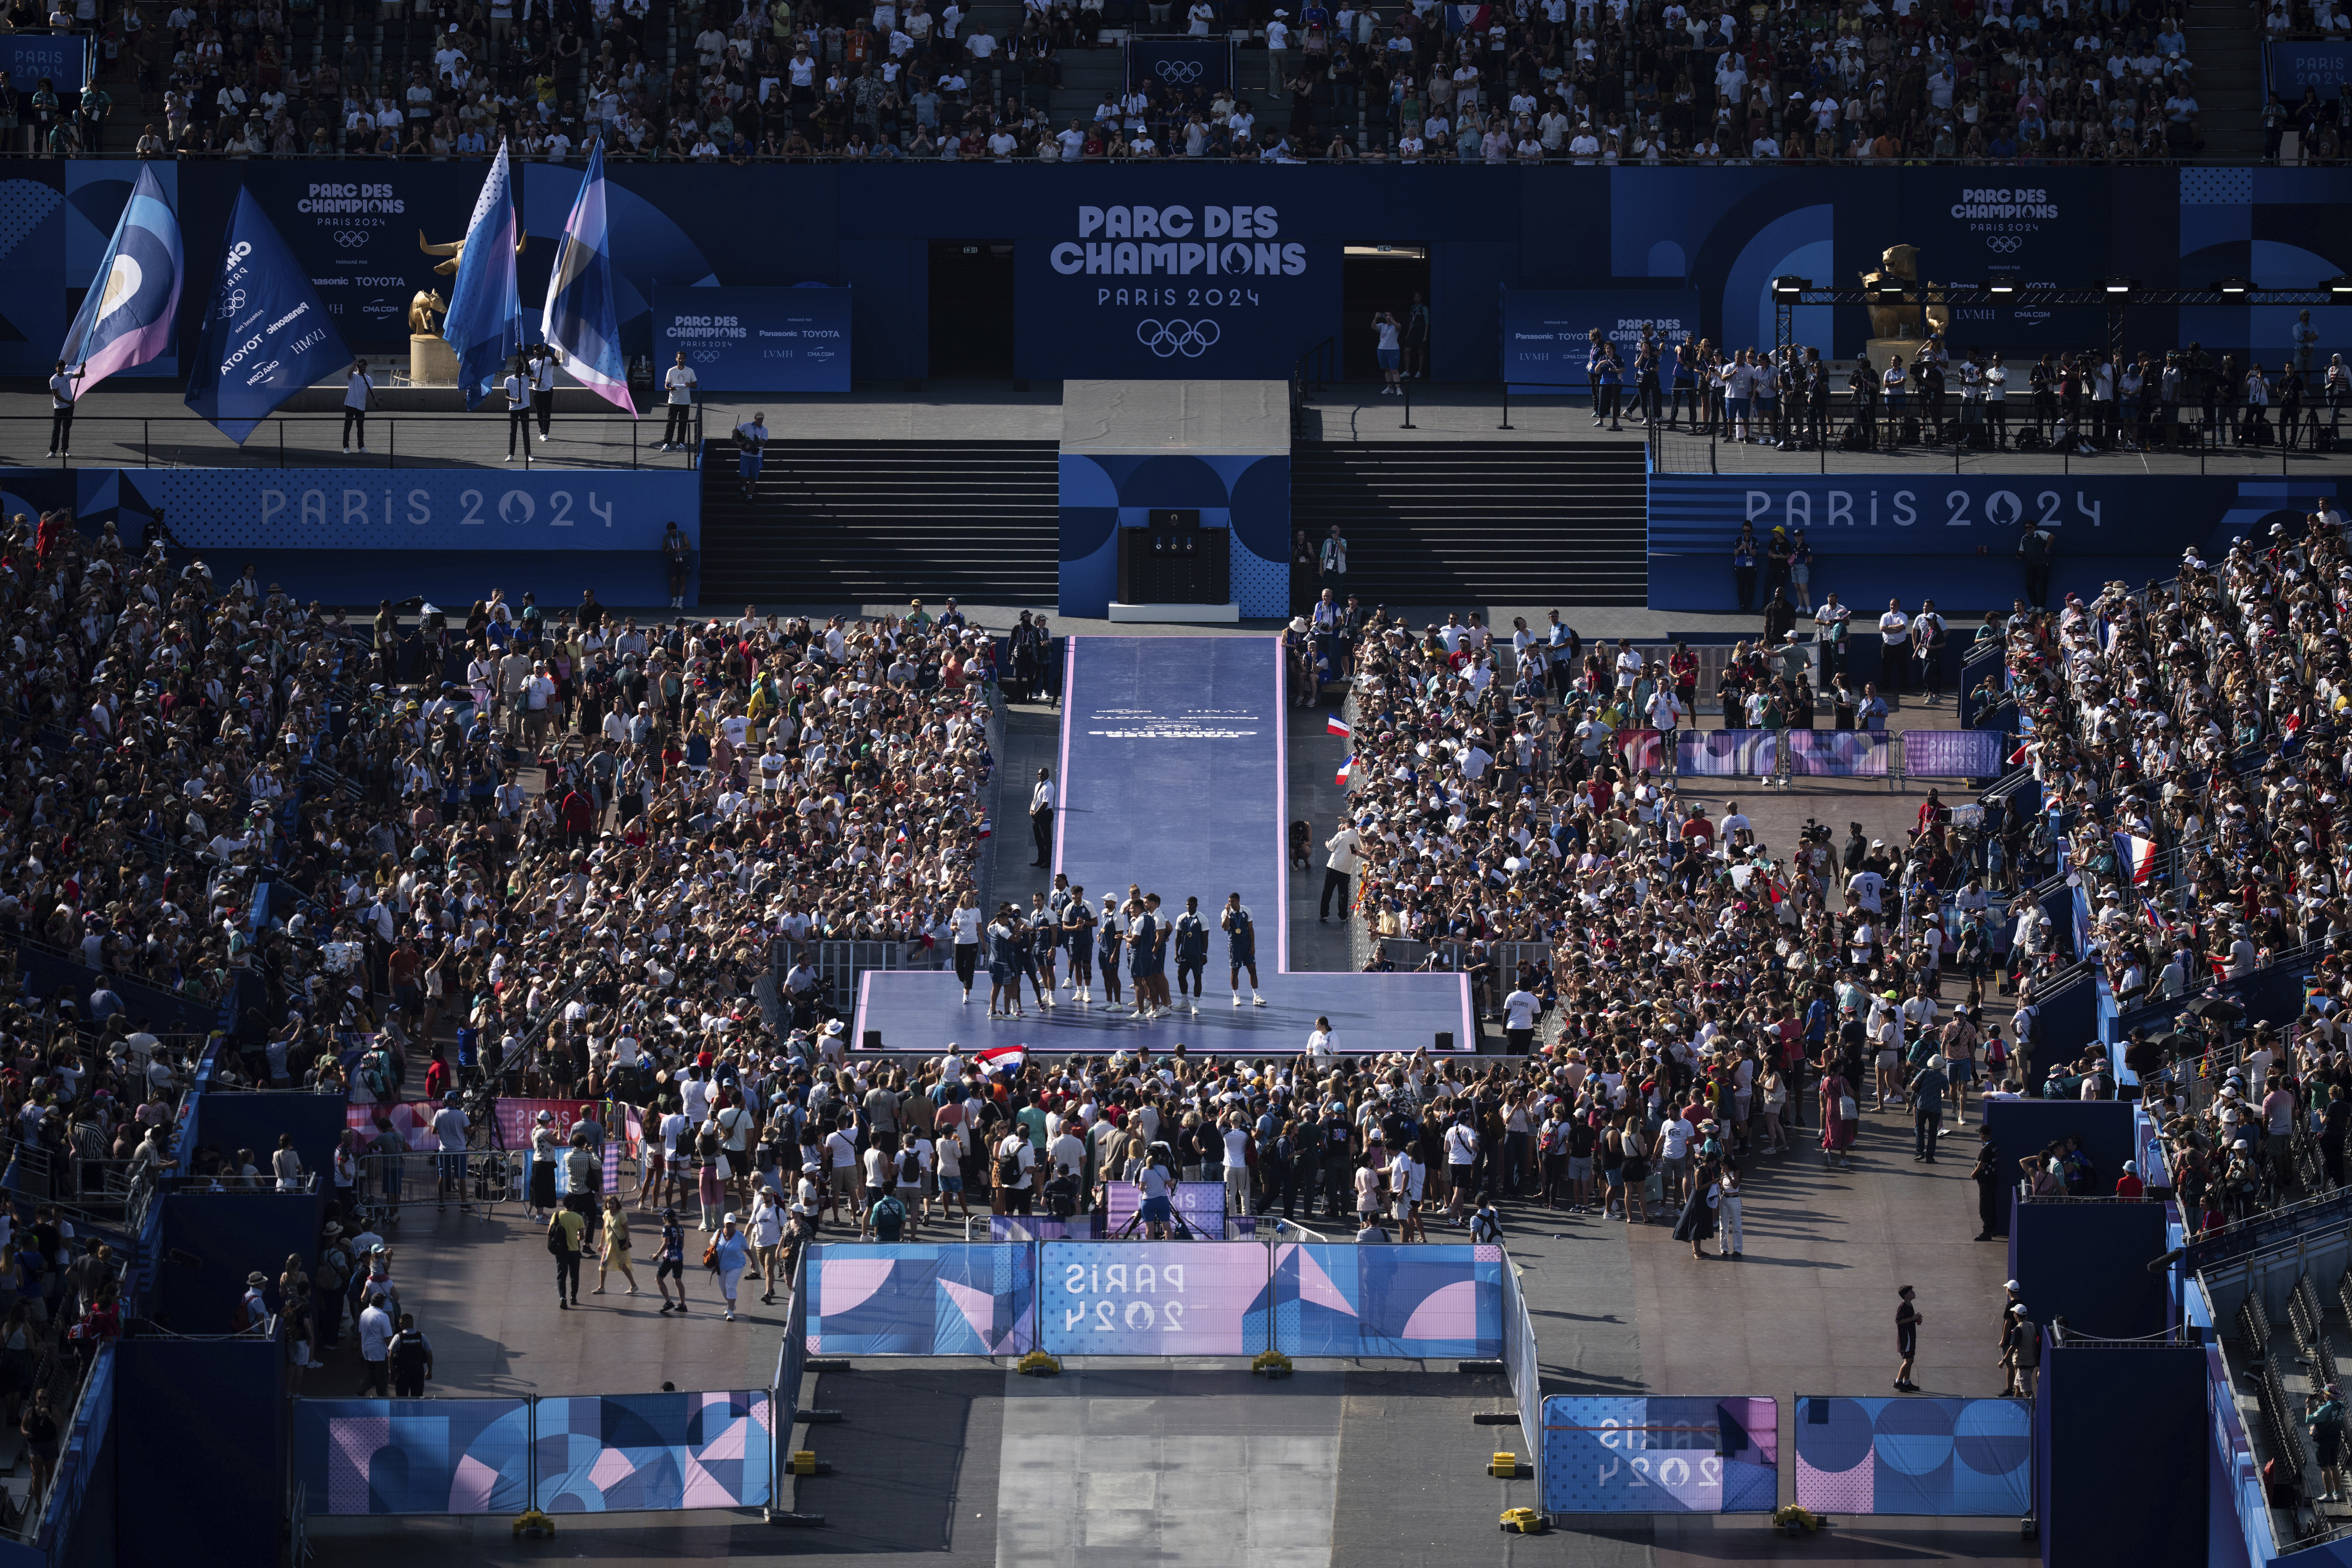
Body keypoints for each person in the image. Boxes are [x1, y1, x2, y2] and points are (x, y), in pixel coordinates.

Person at [1222, 892, 1265, 1007]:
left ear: (1238, 901)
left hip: (1246, 946)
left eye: (1232, 902)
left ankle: (1256, 997)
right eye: (1229, 901)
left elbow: (1250, 929)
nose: (1230, 904)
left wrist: (1253, 945)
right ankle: (1236, 996)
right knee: (1235, 971)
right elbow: (1225, 928)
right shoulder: (1226, 912)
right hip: (1234, 946)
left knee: (1253, 970)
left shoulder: (1247, 911)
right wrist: (1227, 914)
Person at [593, 1195, 637, 1294]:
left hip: (619, 1245)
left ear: (617, 1204)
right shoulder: (606, 1214)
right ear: (607, 1204)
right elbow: (605, 1229)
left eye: (614, 1203)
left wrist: (626, 1242)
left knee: (623, 1266)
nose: (612, 1205)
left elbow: (626, 1229)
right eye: (610, 1203)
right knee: (603, 1265)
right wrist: (601, 1243)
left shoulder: (621, 1215)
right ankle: (602, 1287)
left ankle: (634, 1285)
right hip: (608, 1246)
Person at [1321, 815, 1362, 921]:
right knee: (1343, 894)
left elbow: (1331, 847)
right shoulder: (1358, 838)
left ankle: (1324, 914)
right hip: (1346, 869)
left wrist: (1327, 844)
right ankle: (1343, 916)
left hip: (1335, 866)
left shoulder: (1342, 834)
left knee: (1328, 891)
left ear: (1347, 825)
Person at [2310, 1386, 2346, 1504]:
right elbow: (2332, 1408)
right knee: (2334, 1466)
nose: (2323, 1394)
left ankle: (2328, 1495)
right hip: (2335, 1439)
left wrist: (2309, 1406)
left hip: (2324, 1441)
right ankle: (2337, 1493)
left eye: (2324, 1393)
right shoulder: (2342, 1406)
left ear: (2328, 1395)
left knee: (2325, 1468)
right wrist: (2323, 1399)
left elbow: (2309, 1420)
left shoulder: (2326, 1408)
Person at [1969, 1125, 2004, 1242]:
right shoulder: (1994, 1146)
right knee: (1991, 1204)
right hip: (1992, 1178)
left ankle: (1986, 1232)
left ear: (1982, 1135)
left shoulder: (1987, 1148)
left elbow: (1982, 1164)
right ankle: (1992, 1228)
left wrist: (1974, 1173)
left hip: (1986, 1180)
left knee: (1984, 1207)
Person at [712, 1211, 749, 1321]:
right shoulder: (718, 1233)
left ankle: (730, 1311)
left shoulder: (740, 1236)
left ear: (735, 1224)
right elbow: (711, 1242)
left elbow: (746, 1248)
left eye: (731, 1224)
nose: (729, 1226)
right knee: (723, 1289)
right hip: (722, 1266)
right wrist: (712, 1243)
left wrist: (752, 1261)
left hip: (736, 1265)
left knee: (730, 1287)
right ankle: (732, 1305)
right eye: (728, 1224)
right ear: (724, 1223)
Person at [356, 1291, 395, 1395]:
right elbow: (388, 1338)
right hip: (379, 1354)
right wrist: (393, 1353)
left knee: (373, 1375)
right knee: (382, 1379)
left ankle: (360, 1393)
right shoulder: (383, 1316)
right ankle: (381, 1401)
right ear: (382, 1303)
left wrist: (361, 1350)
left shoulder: (364, 1313)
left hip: (367, 1351)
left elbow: (360, 1334)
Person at [387, 1310, 434, 1398]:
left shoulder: (398, 1337)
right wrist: (429, 1371)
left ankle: (402, 1412)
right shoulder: (422, 1337)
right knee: (417, 1399)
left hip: (402, 1373)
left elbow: (391, 1357)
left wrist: (392, 1372)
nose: (399, 1325)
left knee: (401, 1400)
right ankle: (417, 1412)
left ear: (405, 1323)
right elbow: (429, 1355)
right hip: (418, 1373)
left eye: (400, 1323)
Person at [549, 1202, 587, 1308]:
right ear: (573, 1205)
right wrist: (576, 1236)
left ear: (564, 1204)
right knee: (574, 1276)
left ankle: (563, 1298)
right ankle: (573, 1297)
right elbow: (582, 1237)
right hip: (574, 1250)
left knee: (561, 1275)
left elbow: (549, 1232)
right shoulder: (578, 1218)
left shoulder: (556, 1215)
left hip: (561, 1250)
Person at [660, 350, 697, 450]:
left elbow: (695, 385)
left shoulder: (690, 371)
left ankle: (680, 443)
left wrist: (689, 384)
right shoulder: (671, 371)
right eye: (679, 358)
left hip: (685, 402)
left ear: (685, 359)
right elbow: (666, 385)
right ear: (676, 359)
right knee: (670, 423)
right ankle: (667, 444)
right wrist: (670, 388)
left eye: (683, 358)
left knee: (683, 424)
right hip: (673, 401)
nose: (681, 360)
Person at [654, 1206, 690, 1314]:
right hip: (679, 1257)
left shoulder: (666, 1228)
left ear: (666, 1218)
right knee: (678, 1281)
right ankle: (683, 1304)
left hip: (669, 1257)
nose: (662, 1219)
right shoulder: (680, 1228)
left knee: (659, 1279)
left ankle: (668, 1301)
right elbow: (682, 1244)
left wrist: (657, 1255)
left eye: (663, 1217)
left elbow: (666, 1243)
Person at [45, 360, 81, 460]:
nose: (60, 369)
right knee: (56, 429)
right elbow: (56, 395)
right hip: (59, 407)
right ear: (56, 368)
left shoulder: (68, 375)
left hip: (69, 408)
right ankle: (52, 451)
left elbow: (81, 375)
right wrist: (68, 402)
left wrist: (83, 367)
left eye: (62, 368)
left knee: (66, 429)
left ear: (64, 368)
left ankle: (65, 450)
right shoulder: (53, 380)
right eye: (59, 368)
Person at [342, 358, 377, 453]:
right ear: (358, 367)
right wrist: (353, 365)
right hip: (351, 404)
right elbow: (348, 374)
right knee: (348, 426)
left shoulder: (368, 379)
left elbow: (371, 390)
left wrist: (374, 397)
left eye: (365, 367)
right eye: (362, 367)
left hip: (361, 405)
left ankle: (361, 447)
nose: (364, 368)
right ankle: (346, 447)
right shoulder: (353, 376)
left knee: (360, 427)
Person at [733, 411, 769, 502]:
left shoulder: (764, 430)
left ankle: (749, 497)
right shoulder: (747, 425)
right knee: (742, 476)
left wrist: (753, 445)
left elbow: (763, 442)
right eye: (759, 418)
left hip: (757, 457)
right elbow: (735, 431)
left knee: (753, 478)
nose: (760, 420)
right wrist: (737, 442)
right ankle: (743, 489)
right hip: (745, 456)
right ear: (755, 418)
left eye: (762, 419)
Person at [503, 356, 532, 461]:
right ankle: (511, 454)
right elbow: (506, 396)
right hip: (514, 409)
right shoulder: (508, 380)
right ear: (514, 369)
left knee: (526, 432)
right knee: (513, 431)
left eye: (521, 369)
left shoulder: (525, 377)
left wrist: (521, 353)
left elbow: (528, 366)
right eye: (518, 369)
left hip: (524, 407)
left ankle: (528, 454)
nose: (520, 371)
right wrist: (515, 400)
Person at [1894, 1285, 1922, 1392]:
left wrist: (1915, 1319)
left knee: (1909, 1360)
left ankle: (1907, 1382)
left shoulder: (1909, 1305)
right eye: (1911, 1292)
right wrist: (1912, 1318)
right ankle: (1898, 1382)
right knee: (1909, 1360)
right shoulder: (1903, 1306)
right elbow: (1898, 1321)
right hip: (1906, 1338)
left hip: (1910, 1336)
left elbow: (1907, 1319)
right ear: (1905, 1295)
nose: (1914, 1293)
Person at [1373, 309, 1404, 395]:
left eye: (1389, 315)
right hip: (1382, 349)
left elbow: (1399, 327)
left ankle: (1398, 389)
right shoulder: (1382, 325)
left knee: (1394, 370)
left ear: (1393, 317)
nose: (1387, 316)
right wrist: (1375, 318)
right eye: (1386, 315)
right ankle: (1390, 388)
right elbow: (1373, 327)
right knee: (1387, 370)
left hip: (1393, 350)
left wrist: (1391, 319)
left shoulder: (1396, 325)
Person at [1030, 767, 1055, 868]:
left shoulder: (1049, 787)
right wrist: (1031, 810)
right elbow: (1035, 799)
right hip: (1037, 815)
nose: (1040, 776)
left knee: (1046, 840)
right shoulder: (1038, 785)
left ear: (1048, 775)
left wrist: (1036, 813)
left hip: (1045, 815)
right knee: (1039, 839)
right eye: (1039, 774)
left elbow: (1045, 804)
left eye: (1043, 774)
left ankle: (1048, 861)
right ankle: (1041, 859)